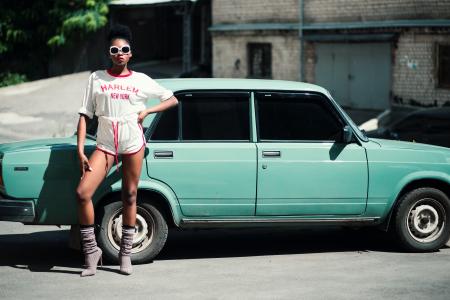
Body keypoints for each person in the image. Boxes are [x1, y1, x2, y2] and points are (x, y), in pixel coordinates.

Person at [76, 24, 178, 277]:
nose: (120, 53)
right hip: (105, 145)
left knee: (130, 195)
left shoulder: (141, 80)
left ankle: (125, 253)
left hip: (133, 143)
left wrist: (147, 111)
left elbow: (172, 98)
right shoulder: (96, 78)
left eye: (125, 49)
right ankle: (91, 251)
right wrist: (80, 149)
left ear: (131, 53)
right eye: (115, 49)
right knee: (82, 193)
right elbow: (83, 115)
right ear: (109, 53)